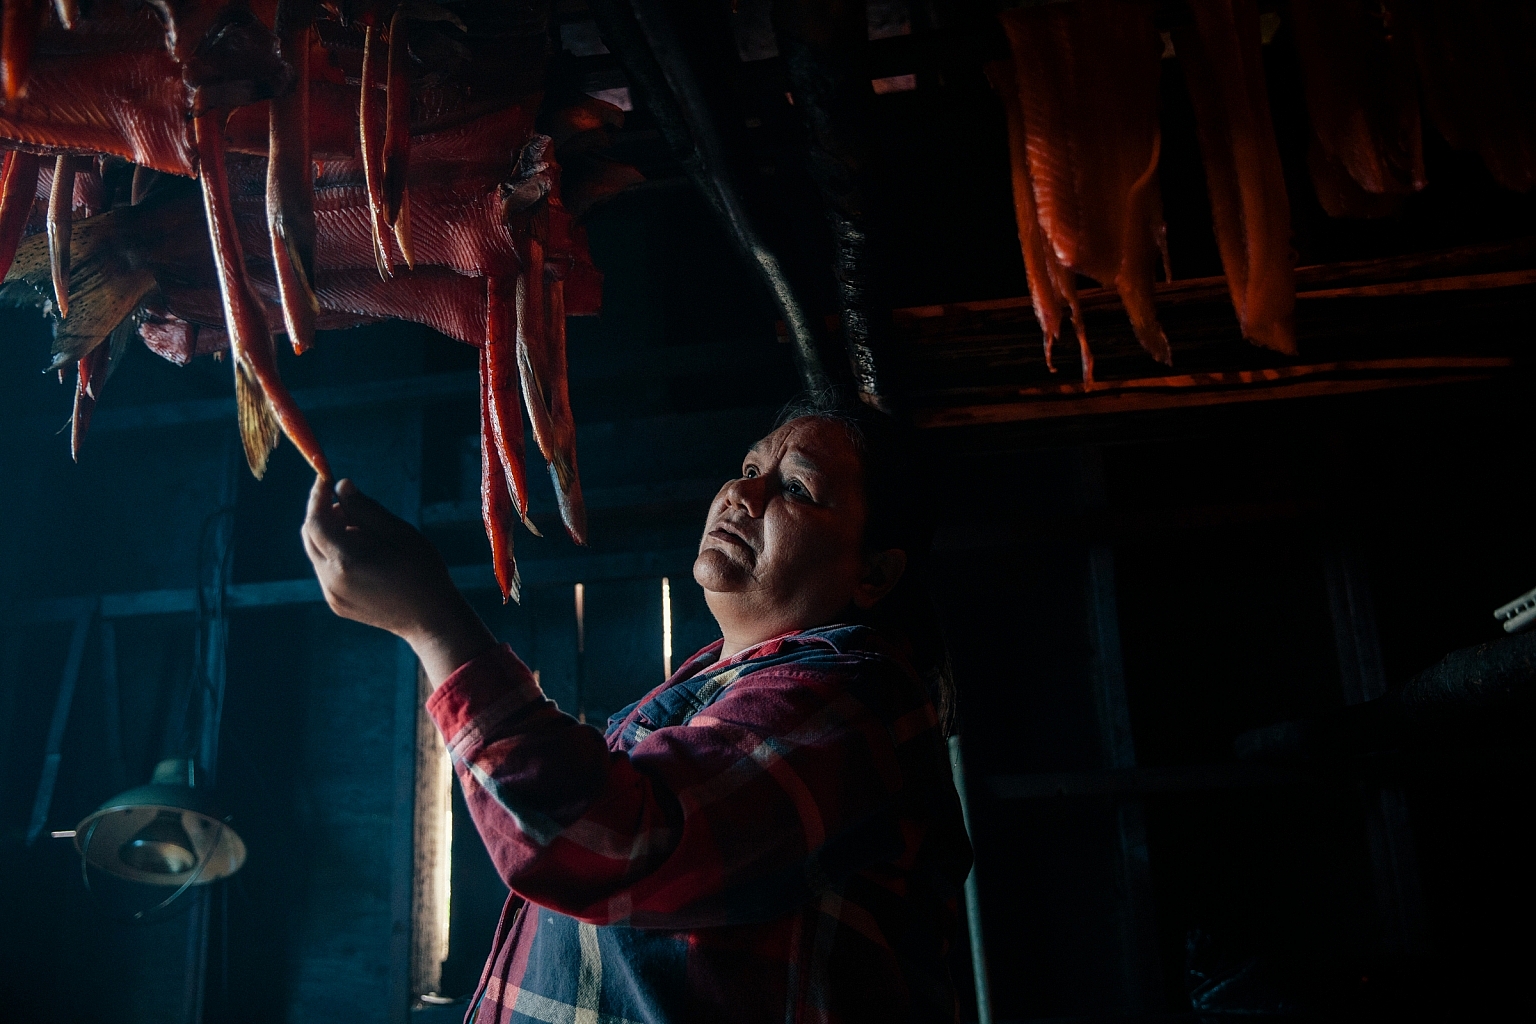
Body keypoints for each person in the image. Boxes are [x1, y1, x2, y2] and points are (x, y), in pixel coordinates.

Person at [302, 395, 973, 1023]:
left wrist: (434, 624)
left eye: (796, 488)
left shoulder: (854, 701)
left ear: (875, 574)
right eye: (748, 468)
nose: (743, 494)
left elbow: (602, 836)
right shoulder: (716, 688)